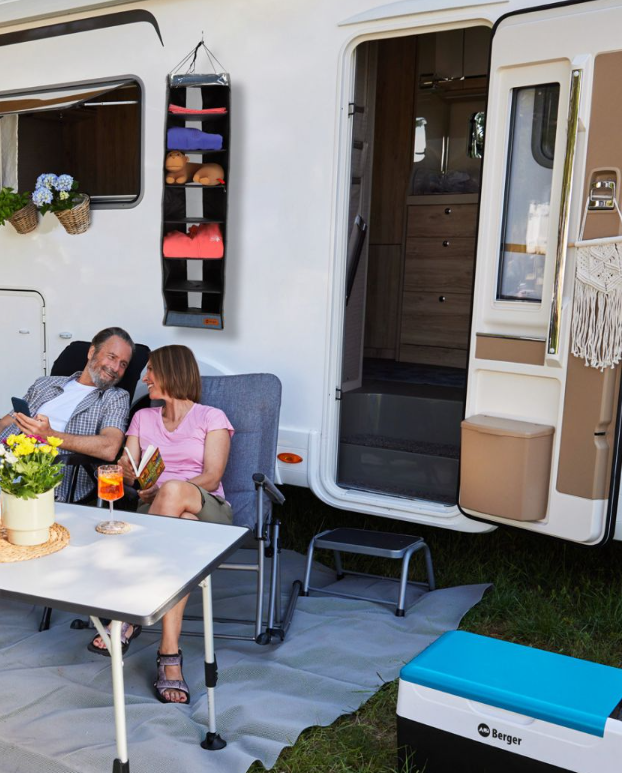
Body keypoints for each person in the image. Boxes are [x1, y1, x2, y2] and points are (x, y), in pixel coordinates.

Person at [88, 344, 234, 705]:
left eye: (150, 369)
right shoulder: (143, 418)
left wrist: (167, 490)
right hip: (161, 513)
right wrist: (129, 473)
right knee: (179, 536)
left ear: (172, 372)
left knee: (175, 495)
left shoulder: (211, 417)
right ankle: (169, 653)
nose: (144, 377)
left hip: (207, 507)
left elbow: (213, 477)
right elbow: (131, 471)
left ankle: (130, 609)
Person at [0, 327, 135, 502]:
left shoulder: (115, 398)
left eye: (123, 364)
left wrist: (49, 435)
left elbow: (109, 448)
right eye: (111, 357)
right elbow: (5, 422)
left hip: (45, 480)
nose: (115, 368)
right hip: (6, 464)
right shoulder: (45, 384)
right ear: (92, 352)